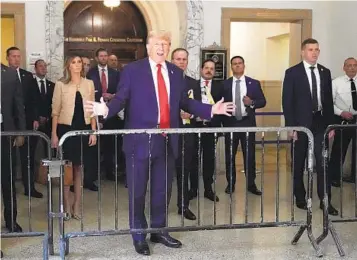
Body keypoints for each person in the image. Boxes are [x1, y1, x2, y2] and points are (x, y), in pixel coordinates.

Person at [84, 30, 235, 256]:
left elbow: (185, 101)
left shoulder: (175, 72)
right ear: (148, 46)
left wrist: (211, 109)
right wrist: (105, 109)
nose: (161, 48)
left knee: (162, 189)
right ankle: (138, 233)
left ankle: (159, 230)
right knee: (137, 191)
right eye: (157, 44)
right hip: (139, 141)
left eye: (165, 44)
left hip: (166, 140)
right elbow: (121, 97)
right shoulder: (133, 70)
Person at [282, 38, 338, 215]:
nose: (314, 53)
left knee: (323, 162)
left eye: (316, 50)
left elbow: (328, 101)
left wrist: (331, 126)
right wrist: (291, 127)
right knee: (299, 162)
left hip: (321, 123)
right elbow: (287, 101)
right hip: (300, 124)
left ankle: (325, 199)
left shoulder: (325, 72)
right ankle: (300, 196)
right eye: (310, 49)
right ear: (302, 52)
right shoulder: (292, 73)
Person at [51, 55, 97, 220]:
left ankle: (77, 204)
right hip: (65, 129)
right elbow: (55, 111)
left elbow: (92, 110)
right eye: (74, 62)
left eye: (79, 62)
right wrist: (54, 134)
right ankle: (65, 204)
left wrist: (93, 131)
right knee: (67, 169)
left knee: (79, 169)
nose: (77, 65)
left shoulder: (89, 84)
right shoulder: (61, 84)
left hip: (83, 129)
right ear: (68, 66)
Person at [222, 56, 265, 195]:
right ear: (231, 67)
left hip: (247, 122)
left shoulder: (253, 83)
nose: (237, 66)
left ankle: (251, 184)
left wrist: (252, 102)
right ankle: (231, 183)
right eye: (234, 64)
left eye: (240, 63)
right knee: (230, 155)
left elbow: (262, 101)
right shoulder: (225, 84)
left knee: (250, 155)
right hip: (231, 123)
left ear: (244, 65)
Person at [171, 47, 197, 220]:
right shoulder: (164, 81)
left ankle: (183, 205)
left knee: (184, 170)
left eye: (184, 59)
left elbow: (198, 105)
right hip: (167, 132)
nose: (181, 62)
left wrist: (192, 114)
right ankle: (159, 206)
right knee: (163, 171)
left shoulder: (193, 83)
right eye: (178, 59)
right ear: (172, 61)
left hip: (186, 132)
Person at [1, 63, 25, 234]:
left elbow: (18, 105)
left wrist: (21, 132)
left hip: (5, 134)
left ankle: (11, 220)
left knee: (8, 180)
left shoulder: (9, 74)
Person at [328, 57, 357, 186]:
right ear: (344, 67)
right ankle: (334, 177)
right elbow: (329, 102)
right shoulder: (336, 83)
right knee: (339, 150)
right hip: (343, 119)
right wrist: (341, 113)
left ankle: (354, 176)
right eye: (349, 65)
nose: (352, 68)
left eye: (354, 65)